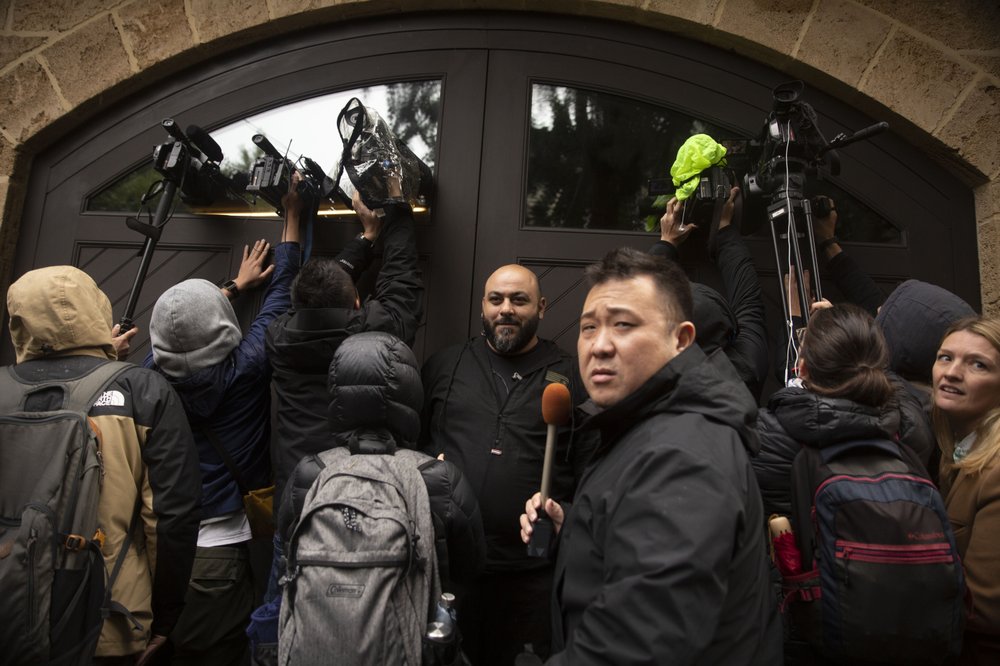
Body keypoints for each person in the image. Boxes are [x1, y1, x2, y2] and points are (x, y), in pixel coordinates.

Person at [520, 247, 781, 665]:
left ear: (681, 339)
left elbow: (637, 646)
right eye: (588, 327)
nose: (599, 345)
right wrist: (574, 526)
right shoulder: (641, 426)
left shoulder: (684, 456)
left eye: (623, 324)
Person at [4, 265, 201, 665]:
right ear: (96, 307)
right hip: (106, 619)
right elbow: (168, 517)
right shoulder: (141, 390)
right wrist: (164, 619)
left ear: (18, 320)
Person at [145, 184, 302, 665]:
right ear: (223, 326)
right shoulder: (248, 367)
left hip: (149, 551)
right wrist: (294, 218)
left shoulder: (144, 380)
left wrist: (232, 286)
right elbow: (282, 294)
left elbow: (177, 338)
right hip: (217, 552)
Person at [420, 263, 594, 665]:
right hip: (453, 570)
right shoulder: (446, 366)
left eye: (519, 299)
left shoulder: (570, 376)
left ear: (542, 307)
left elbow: (593, 471)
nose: (506, 309)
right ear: (483, 304)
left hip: (530, 575)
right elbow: (413, 443)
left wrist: (564, 513)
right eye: (496, 299)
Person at [277, 331, 486, 591]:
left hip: (318, 627)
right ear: (411, 394)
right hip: (413, 627)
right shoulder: (440, 478)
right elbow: (471, 567)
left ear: (337, 391)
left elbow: (285, 556)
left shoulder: (310, 473)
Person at [266, 188, 422, 512]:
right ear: (356, 303)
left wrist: (366, 239)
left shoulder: (278, 337)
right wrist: (398, 209)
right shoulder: (375, 332)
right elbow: (400, 284)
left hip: (297, 502)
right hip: (359, 505)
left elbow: (319, 291)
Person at [651, 186, 769, 399]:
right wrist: (724, 228)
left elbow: (642, 295)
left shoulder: (645, 382)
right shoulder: (745, 371)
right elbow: (748, 303)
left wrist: (666, 242)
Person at [932, 316, 1000, 663]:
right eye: (945, 357)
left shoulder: (997, 468)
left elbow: (985, 609)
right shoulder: (956, 451)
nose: (953, 372)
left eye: (978, 364)